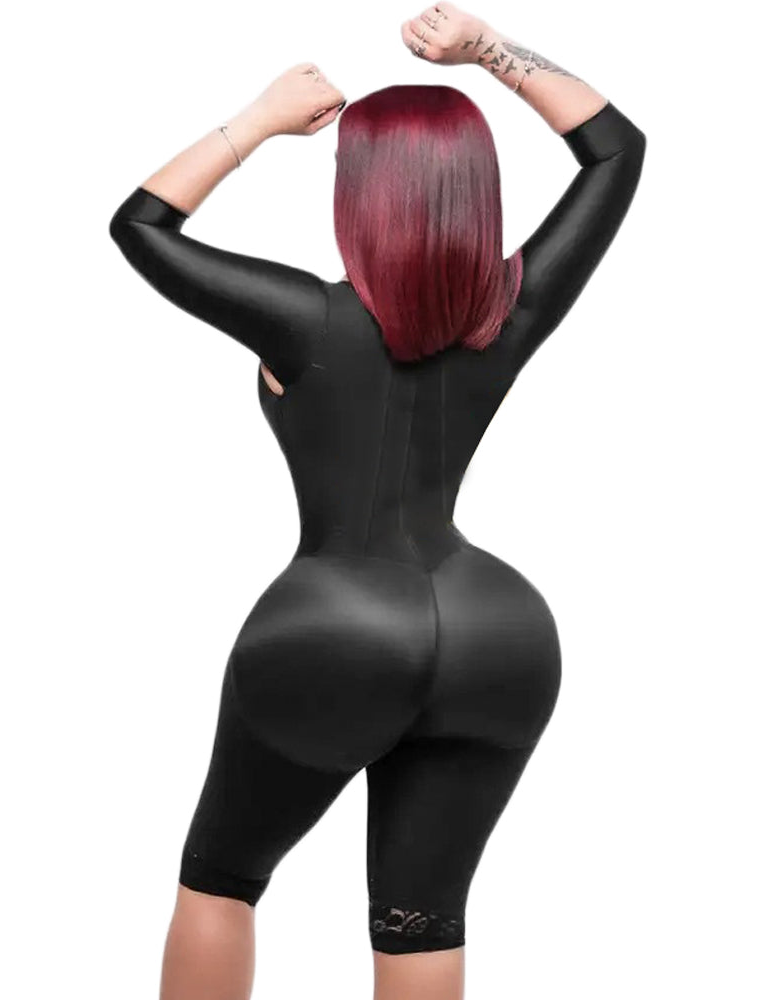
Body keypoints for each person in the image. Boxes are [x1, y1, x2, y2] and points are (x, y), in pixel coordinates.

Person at [108, 4, 646, 998]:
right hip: (497, 632)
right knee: (419, 918)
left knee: (221, 879)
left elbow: (139, 225)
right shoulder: (511, 309)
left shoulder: (301, 319)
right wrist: (487, 51)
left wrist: (259, 120)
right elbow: (616, 151)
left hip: (335, 626)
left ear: (356, 195)